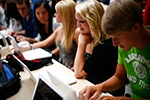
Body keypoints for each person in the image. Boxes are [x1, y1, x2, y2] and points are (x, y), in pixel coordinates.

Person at [78, 0, 150, 100]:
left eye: (118, 37)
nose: (114, 44)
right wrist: (99, 87)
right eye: (112, 37)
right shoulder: (125, 45)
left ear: (136, 28)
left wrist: (119, 99)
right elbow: (119, 78)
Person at [73, 0, 124, 96]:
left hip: (106, 93)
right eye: (77, 20)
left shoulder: (106, 45)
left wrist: (81, 44)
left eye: (82, 21)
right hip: (90, 87)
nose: (77, 25)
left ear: (93, 21)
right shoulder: (89, 36)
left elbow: (78, 73)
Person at [22, 0, 80, 69]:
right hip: (62, 67)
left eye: (57, 13)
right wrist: (27, 48)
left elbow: (82, 58)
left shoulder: (77, 32)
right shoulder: (61, 28)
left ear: (65, 14)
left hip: (71, 70)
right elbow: (44, 43)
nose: (55, 14)